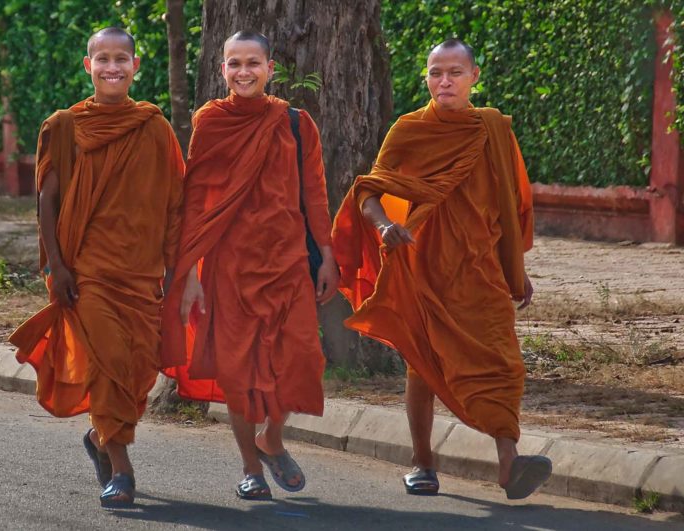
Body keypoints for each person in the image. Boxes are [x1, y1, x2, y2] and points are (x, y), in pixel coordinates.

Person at [332, 38, 551, 500]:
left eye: (455, 72)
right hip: (422, 264)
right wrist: (385, 224)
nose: (444, 81)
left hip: (480, 270)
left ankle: (509, 464)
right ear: (426, 77)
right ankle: (422, 463)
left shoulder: (493, 130)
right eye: (436, 72)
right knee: (423, 365)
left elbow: (509, 207)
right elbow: (368, 190)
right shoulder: (410, 130)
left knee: (502, 363)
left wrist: (516, 268)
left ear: (475, 77)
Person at [9, 27, 184, 508]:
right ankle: (122, 471)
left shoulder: (155, 127)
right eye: (102, 59)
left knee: (140, 369)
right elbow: (47, 200)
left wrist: (176, 267)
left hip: (144, 272)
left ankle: (99, 437)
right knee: (108, 364)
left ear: (136, 65)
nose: (112, 67)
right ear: (88, 66)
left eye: (121, 58)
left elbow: (174, 202)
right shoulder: (63, 126)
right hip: (90, 272)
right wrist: (57, 266)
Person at [161, 31, 338, 500]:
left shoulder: (297, 124)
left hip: (287, 263)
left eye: (252, 63)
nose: (244, 72)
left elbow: (315, 195)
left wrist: (328, 255)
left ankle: (271, 439)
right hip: (229, 267)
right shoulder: (211, 122)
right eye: (234, 64)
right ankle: (250, 469)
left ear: (270, 68)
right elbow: (196, 201)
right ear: (222, 70)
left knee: (301, 360)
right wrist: (193, 275)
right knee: (237, 371)